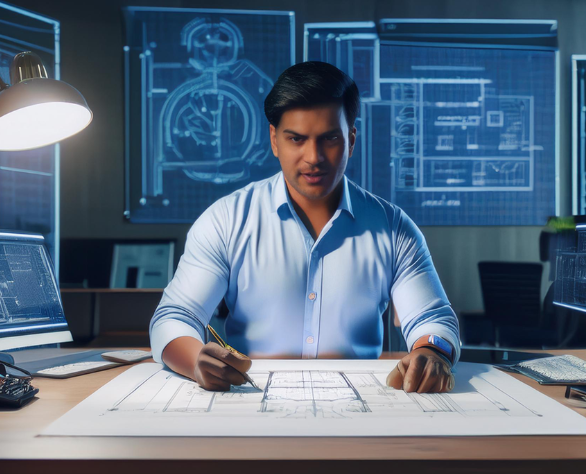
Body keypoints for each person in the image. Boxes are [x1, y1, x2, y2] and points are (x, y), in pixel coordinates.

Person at [149, 61, 460, 394]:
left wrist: (430, 351)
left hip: (363, 407)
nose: (313, 157)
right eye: (296, 139)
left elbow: (434, 319)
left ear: (351, 140)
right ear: (274, 140)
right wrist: (197, 359)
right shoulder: (225, 221)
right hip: (248, 400)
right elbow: (173, 317)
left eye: (329, 139)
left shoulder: (393, 228)